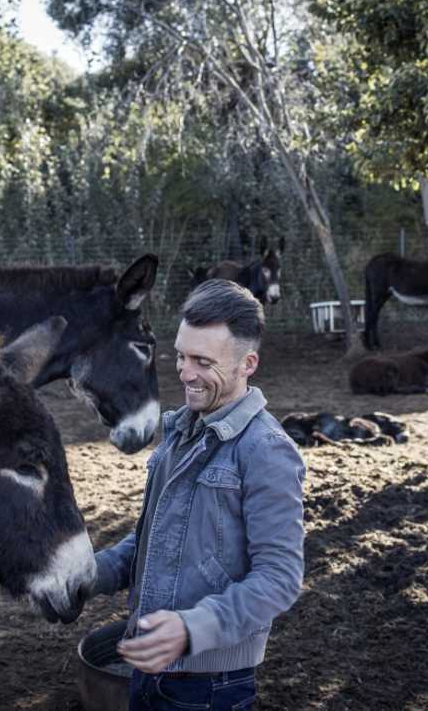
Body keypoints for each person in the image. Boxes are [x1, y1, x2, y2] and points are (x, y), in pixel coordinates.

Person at [90, 278, 306, 710]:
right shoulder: (180, 431)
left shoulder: (266, 450)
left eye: (204, 362)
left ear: (248, 364)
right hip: (149, 669)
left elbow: (280, 577)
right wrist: (84, 575)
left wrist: (193, 628)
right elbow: (150, 543)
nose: (186, 372)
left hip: (211, 688)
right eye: (181, 356)